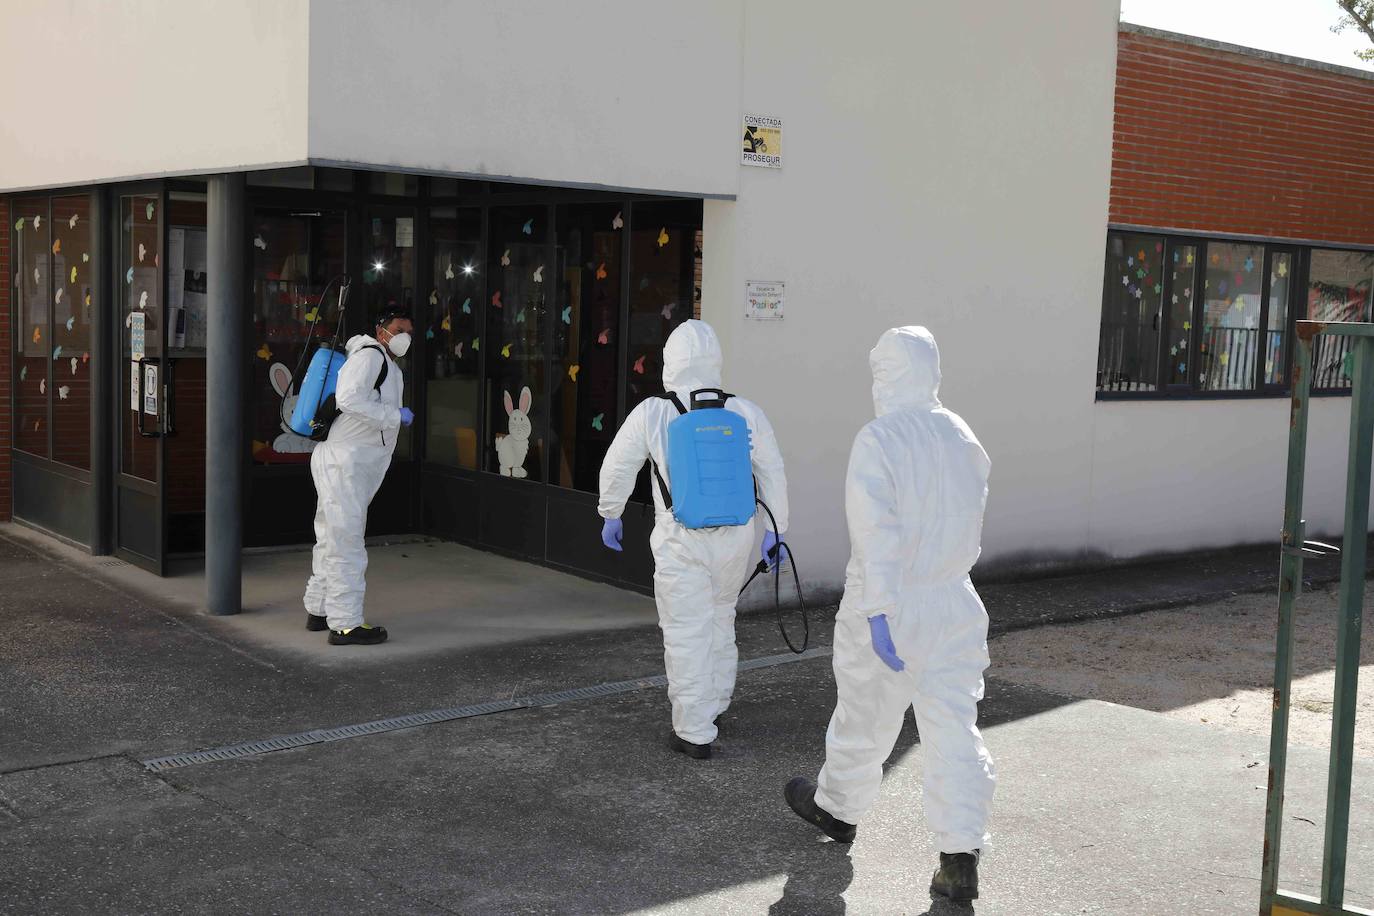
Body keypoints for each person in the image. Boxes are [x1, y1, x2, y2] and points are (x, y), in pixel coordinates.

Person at [784, 326, 995, 903]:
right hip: (953, 601)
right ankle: (959, 855)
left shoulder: (879, 438)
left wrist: (878, 610)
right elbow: (966, 513)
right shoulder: (962, 435)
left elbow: (876, 531)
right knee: (954, 728)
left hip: (892, 603)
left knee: (866, 714)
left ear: (889, 375)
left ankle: (837, 809)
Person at [598, 319, 788, 759]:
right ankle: (716, 704)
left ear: (671, 362)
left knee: (686, 630)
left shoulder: (654, 412)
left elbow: (618, 465)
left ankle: (694, 731)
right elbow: (771, 470)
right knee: (722, 616)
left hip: (681, 538)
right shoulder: (744, 411)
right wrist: (777, 531)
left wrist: (611, 512)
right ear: (714, 361)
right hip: (736, 536)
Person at [303, 308, 414, 646]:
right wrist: (393, 415)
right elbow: (350, 399)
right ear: (382, 330)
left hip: (345, 461)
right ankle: (346, 623)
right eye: (399, 329)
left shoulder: (379, 359)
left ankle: (319, 609)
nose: (405, 336)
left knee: (331, 536)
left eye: (409, 330)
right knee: (346, 541)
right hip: (345, 463)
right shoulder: (370, 357)